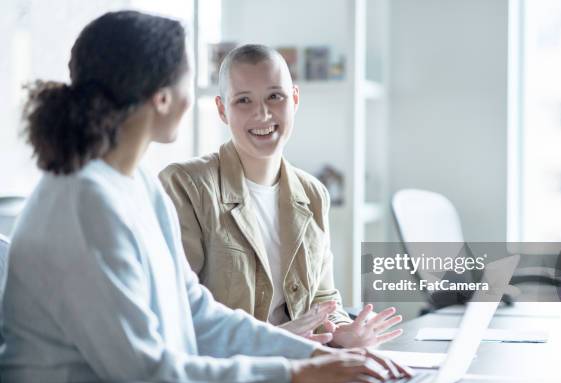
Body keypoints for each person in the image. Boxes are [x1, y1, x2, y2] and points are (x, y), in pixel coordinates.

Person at [0, 11, 410, 383]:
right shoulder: (85, 201)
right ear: (162, 97)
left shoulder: (137, 185)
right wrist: (293, 373)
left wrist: (316, 357)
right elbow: (144, 371)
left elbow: (198, 312)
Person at [160, 44, 403, 347]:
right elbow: (179, 312)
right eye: (243, 100)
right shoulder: (186, 185)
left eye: (275, 97)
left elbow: (324, 299)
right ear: (222, 110)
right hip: (237, 373)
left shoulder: (313, 194)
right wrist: (273, 338)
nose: (262, 113)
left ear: (295, 99)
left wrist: (342, 332)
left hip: (304, 367)